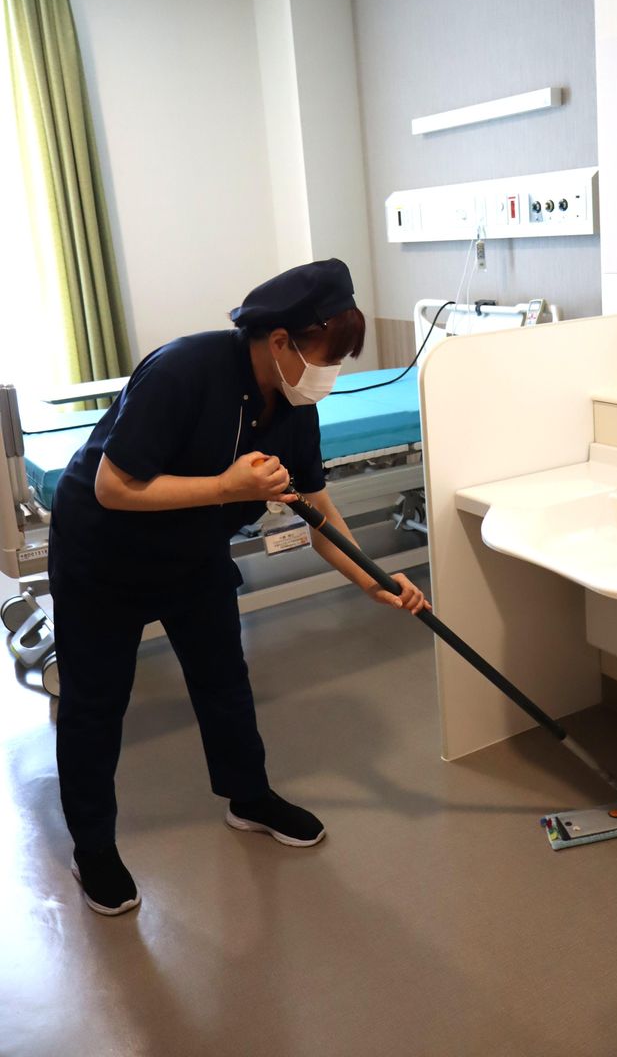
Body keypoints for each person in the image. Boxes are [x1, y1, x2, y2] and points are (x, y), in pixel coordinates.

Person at [49, 259, 429, 916]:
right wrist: (227, 487)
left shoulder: (295, 403)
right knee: (95, 705)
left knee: (224, 679)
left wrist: (371, 577)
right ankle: (94, 849)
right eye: (327, 357)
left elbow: (316, 509)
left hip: (193, 553)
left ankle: (248, 798)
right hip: (103, 554)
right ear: (280, 341)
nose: (331, 374)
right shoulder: (182, 372)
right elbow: (114, 486)